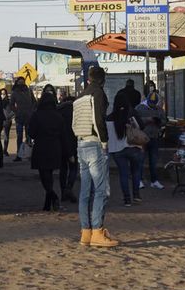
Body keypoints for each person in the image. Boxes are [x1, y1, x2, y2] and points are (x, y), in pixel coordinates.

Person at [72, 66, 118, 248]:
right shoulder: (98, 94)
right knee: (101, 190)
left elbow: (74, 122)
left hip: (81, 143)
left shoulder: (79, 97)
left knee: (85, 191)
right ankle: (98, 231)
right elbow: (99, 120)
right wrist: (104, 142)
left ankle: (86, 233)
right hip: (94, 144)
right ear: (102, 79)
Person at [28, 93, 67, 211]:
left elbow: (32, 133)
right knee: (49, 174)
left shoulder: (37, 115)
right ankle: (47, 203)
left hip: (41, 147)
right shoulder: (58, 116)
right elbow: (63, 134)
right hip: (55, 147)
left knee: (44, 175)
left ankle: (52, 196)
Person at [108, 93, 145, 207]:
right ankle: (136, 196)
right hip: (134, 147)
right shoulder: (132, 114)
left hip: (117, 150)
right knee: (136, 172)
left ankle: (127, 199)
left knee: (123, 174)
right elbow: (142, 126)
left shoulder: (109, 118)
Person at [135, 91, 167, 190]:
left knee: (153, 161)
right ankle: (139, 180)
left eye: (154, 104)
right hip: (142, 138)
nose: (152, 105)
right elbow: (134, 121)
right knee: (140, 160)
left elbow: (164, 121)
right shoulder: (139, 108)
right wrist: (146, 120)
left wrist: (159, 122)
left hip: (154, 137)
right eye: (151, 103)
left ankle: (154, 181)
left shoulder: (159, 109)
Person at [10, 77, 36, 161]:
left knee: (29, 136)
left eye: (22, 82)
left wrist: (32, 111)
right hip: (19, 117)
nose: (21, 84)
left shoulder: (29, 91)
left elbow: (34, 102)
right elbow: (11, 104)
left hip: (29, 117)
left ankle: (29, 154)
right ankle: (19, 155)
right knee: (19, 137)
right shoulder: (14, 93)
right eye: (19, 82)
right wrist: (16, 111)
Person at [57, 95, 78, 203]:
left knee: (63, 169)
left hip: (61, 144)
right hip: (74, 143)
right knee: (73, 168)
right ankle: (69, 188)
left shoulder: (58, 111)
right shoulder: (77, 111)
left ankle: (63, 192)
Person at [1, 88, 14, 157]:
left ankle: (5, 150)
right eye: (1, 94)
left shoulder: (9, 102)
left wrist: (9, 117)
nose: (3, 95)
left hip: (7, 121)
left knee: (6, 136)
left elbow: (14, 110)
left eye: (4, 94)